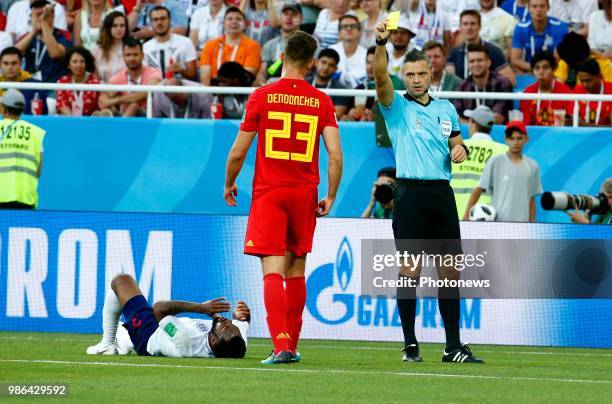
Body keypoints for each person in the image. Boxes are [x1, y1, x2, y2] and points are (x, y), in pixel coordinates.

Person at [223, 30, 343, 364]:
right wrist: (330, 195)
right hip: (305, 193)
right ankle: (292, 342)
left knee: (272, 270)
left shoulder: (262, 95)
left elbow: (238, 152)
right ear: (310, 64)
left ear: (281, 57)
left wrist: (229, 183)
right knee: (296, 269)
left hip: (269, 193)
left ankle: (282, 344)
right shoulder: (322, 101)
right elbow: (335, 156)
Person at [374, 19, 483, 363]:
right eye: (410, 75)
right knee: (410, 271)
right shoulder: (396, 107)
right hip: (410, 196)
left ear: (431, 74)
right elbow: (379, 78)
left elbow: (456, 142)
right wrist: (380, 46)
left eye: (422, 74)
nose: (417, 80)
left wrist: (460, 150)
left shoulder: (446, 108)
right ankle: (410, 345)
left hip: (441, 195)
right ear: (403, 76)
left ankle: (452, 346)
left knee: (450, 271)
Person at [85, 274, 250, 358]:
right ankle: (122, 339)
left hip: (149, 336)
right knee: (123, 330)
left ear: (213, 340)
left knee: (121, 281)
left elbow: (159, 309)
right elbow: (241, 323)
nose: (226, 320)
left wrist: (201, 308)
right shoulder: (236, 340)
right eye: (231, 324)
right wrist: (241, 315)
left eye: (223, 326)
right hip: (166, 330)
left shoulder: (188, 341)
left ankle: (107, 345)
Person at [464, 121, 542, 222]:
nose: (515, 142)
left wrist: (532, 225)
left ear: (526, 139)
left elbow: (531, 200)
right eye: (512, 138)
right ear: (506, 139)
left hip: (523, 227)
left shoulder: (533, 166)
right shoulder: (495, 162)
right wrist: (466, 217)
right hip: (499, 225)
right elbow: (478, 190)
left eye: (519, 138)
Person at [450, 105, 508, 217]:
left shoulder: (457, 147)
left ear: (473, 123)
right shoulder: (504, 151)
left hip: (455, 212)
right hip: (488, 215)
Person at [0, 89, 46, 210]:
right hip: (25, 199)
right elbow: (38, 171)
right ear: (22, 110)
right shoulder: (36, 133)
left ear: (3, 108)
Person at [446, 10, 515, 86]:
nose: (469, 27)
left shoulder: (493, 51)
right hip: (462, 96)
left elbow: (510, 81)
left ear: (480, 26)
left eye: (473, 24)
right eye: (465, 24)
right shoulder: (454, 53)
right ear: (460, 27)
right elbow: (449, 83)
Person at [98, 37, 162, 116]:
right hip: (125, 116)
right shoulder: (120, 76)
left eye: (135, 55)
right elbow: (102, 101)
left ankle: (121, 126)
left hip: (150, 119)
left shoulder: (153, 73)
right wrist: (111, 102)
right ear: (123, 57)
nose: (132, 58)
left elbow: (145, 93)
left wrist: (117, 100)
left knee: (134, 106)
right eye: (128, 55)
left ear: (142, 56)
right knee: (107, 110)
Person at [199, 6, 261, 86]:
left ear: (245, 24)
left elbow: (247, 77)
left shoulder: (252, 46)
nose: (234, 22)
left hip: (239, 92)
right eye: (230, 19)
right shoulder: (210, 45)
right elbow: (205, 80)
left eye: (238, 19)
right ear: (223, 23)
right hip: (213, 90)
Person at [453, 43, 513, 124]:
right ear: (468, 65)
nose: (476, 64)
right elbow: (456, 118)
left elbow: (499, 118)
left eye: (480, 60)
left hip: (495, 133)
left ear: (489, 62)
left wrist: (474, 126)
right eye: (472, 61)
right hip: (470, 133)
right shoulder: (463, 86)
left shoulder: (502, 83)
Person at [15, 0, 72, 83]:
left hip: (55, 85)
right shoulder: (28, 36)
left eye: (41, 15)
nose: (39, 18)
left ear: (52, 16)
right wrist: (34, 31)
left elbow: (55, 53)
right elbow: (13, 53)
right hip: (31, 85)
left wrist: (44, 23)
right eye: (34, 15)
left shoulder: (62, 34)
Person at [510, 0, 568, 73]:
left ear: (548, 8)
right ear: (529, 8)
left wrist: (543, 71)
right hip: (529, 71)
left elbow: (557, 59)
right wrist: (537, 69)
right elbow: (515, 60)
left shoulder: (560, 27)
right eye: (534, 6)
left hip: (553, 71)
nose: (538, 10)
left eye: (542, 6)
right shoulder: (520, 28)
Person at [143, 6, 197, 80]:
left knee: (172, 82)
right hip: (155, 86)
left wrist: (181, 70)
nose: (159, 22)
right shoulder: (145, 47)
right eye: (155, 19)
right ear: (151, 23)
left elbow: (192, 74)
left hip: (182, 85)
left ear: (170, 20)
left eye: (163, 18)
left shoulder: (185, 42)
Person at [520, 51, 574, 126]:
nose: (541, 73)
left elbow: (569, 123)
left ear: (554, 69)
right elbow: (526, 124)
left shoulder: (566, 92)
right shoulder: (528, 92)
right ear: (532, 71)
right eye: (537, 68)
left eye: (545, 68)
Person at [255, 3, 302, 85]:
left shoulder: (311, 43)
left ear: (301, 18)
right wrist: (263, 83)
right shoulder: (269, 45)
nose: (289, 17)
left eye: (293, 14)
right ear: (280, 17)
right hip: (273, 89)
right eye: (285, 14)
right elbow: (262, 72)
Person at [0, 47, 49, 115]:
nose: (10, 67)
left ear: (21, 63)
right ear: (0, 64)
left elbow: (43, 114)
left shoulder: (35, 86)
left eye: (14, 63)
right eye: (6, 63)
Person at [306, 48, 352, 119]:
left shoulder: (341, 90)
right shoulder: (302, 84)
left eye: (331, 65)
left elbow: (335, 116)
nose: (326, 67)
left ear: (335, 69)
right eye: (323, 62)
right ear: (315, 62)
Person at [56, 46, 101, 116]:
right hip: (68, 122)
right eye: (74, 61)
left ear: (87, 64)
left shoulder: (94, 82)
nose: (79, 65)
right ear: (68, 65)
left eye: (82, 61)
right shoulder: (62, 81)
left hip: (90, 123)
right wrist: (73, 122)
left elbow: (96, 107)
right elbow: (62, 105)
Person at [330, 14, 368, 88]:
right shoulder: (331, 51)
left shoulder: (366, 54)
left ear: (359, 32)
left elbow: (365, 79)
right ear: (339, 32)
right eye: (344, 26)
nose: (349, 29)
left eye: (353, 26)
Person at [573, 59, 612, 126]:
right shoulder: (578, 89)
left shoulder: (610, 89)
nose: (585, 85)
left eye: (588, 81)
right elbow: (572, 121)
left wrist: (584, 125)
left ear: (600, 76)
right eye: (582, 81)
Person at [93, 11, 129, 83]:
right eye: (115, 26)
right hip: (103, 90)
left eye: (122, 25)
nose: (119, 29)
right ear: (108, 28)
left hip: (125, 90)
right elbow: (95, 76)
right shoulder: (98, 50)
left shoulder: (131, 48)